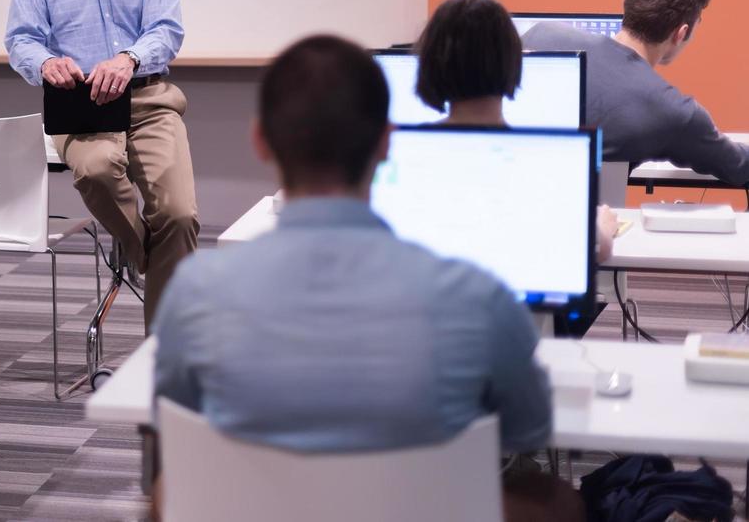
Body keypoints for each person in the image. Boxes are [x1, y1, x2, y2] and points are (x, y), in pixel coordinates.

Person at [153, 35, 557, 513]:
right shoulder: (478, 296)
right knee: (556, 499)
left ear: (260, 140)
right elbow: (531, 431)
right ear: (388, 142)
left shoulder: (196, 293)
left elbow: (172, 431)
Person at [4, 0, 198, 326]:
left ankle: (163, 355)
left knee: (178, 217)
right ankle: (155, 262)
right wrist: (45, 62)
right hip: (80, 106)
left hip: (147, 98)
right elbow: (21, 38)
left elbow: (166, 29)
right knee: (95, 169)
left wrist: (129, 58)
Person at [416, 0, 617, 259]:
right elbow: (596, 251)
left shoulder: (402, 153)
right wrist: (602, 226)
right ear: (513, 61)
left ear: (428, 62)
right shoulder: (548, 162)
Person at [522, 0, 749, 184]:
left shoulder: (542, 33)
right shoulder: (674, 111)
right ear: (681, 33)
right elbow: (737, 166)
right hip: (589, 219)